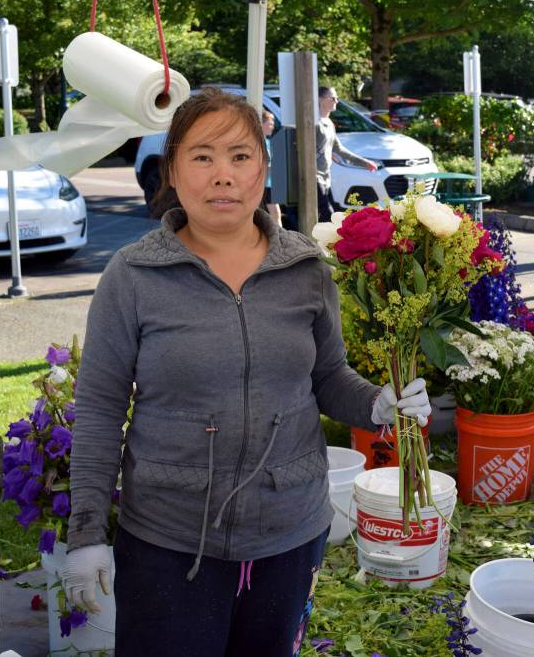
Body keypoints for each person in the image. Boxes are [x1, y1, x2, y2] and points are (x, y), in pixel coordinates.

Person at [60, 88, 431, 656]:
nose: (223, 175)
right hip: (169, 538)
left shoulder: (305, 267)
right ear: (172, 170)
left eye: (240, 156)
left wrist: (381, 403)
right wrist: (86, 532)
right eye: (202, 156)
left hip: (289, 532)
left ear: (262, 167)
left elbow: (328, 378)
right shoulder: (132, 275)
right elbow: (101, 410)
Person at [316, 86, 377, 221]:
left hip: (325, 176)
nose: (337, 101)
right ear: (321, 100)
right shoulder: (315, 124)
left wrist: (364, 162)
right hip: (314, 177)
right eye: (333, 98)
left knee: (326, 213)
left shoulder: (329, 123)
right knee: (328, 214)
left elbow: (339, 149)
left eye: (337, 98)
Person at [260, 109, 283, 228]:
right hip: (263, 184)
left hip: (270, 184)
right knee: (275, 213)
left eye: (273, 124)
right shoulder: (258, 142)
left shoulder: (268, 142)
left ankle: (279, 239)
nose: (272, 126)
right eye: (270, 123)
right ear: (261, 124)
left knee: (275, 213)